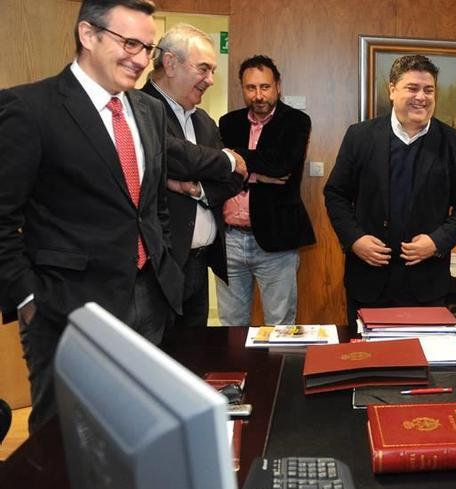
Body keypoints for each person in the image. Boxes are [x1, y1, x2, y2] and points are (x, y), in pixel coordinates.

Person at [0, 0, 183, 433]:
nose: (140, 59)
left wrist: (164, 262)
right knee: (68, 443)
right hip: (67, 309)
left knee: (140, 430)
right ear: (88, 34)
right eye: (130, 43)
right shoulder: (30, 108)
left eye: (148, 48)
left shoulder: (149, 111)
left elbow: (152, 206)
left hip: (149, 301)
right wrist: (28, 300)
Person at [324, 54, 456, 325]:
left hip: (426, 282)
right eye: (412, 88)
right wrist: (355, 240)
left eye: (429, 90)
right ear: (392, 90)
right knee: (369, 362)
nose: (421, 96)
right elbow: (336, 194)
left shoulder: (453, 142)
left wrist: (437, 242)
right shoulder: (359, 136)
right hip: (368, 279)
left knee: (421, 363)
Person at [141, 23, 246, 328]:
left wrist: (195, 190)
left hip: (200, 264)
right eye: (204, 69)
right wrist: (226, 158)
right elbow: (174, 157)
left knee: (196, 356)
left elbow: (234, 180)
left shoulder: (203, 121)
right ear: (171, 63)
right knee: (161, 358)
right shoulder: (141, 108)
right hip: (160, 266)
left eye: (212, 70)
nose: (211, 80)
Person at [217, 55, 315, 325]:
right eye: (251, 88)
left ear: (278, 86)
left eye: (265, 87)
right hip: (229, 240)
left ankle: (279, 369)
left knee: (280, 324)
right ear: (242, 88)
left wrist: (234, 159)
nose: (258, 95)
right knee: (231, 325)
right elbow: (217, 169)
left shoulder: (296, 121)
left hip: (276, 241)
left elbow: (283, 165)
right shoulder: (228, 123)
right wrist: (260, 174)